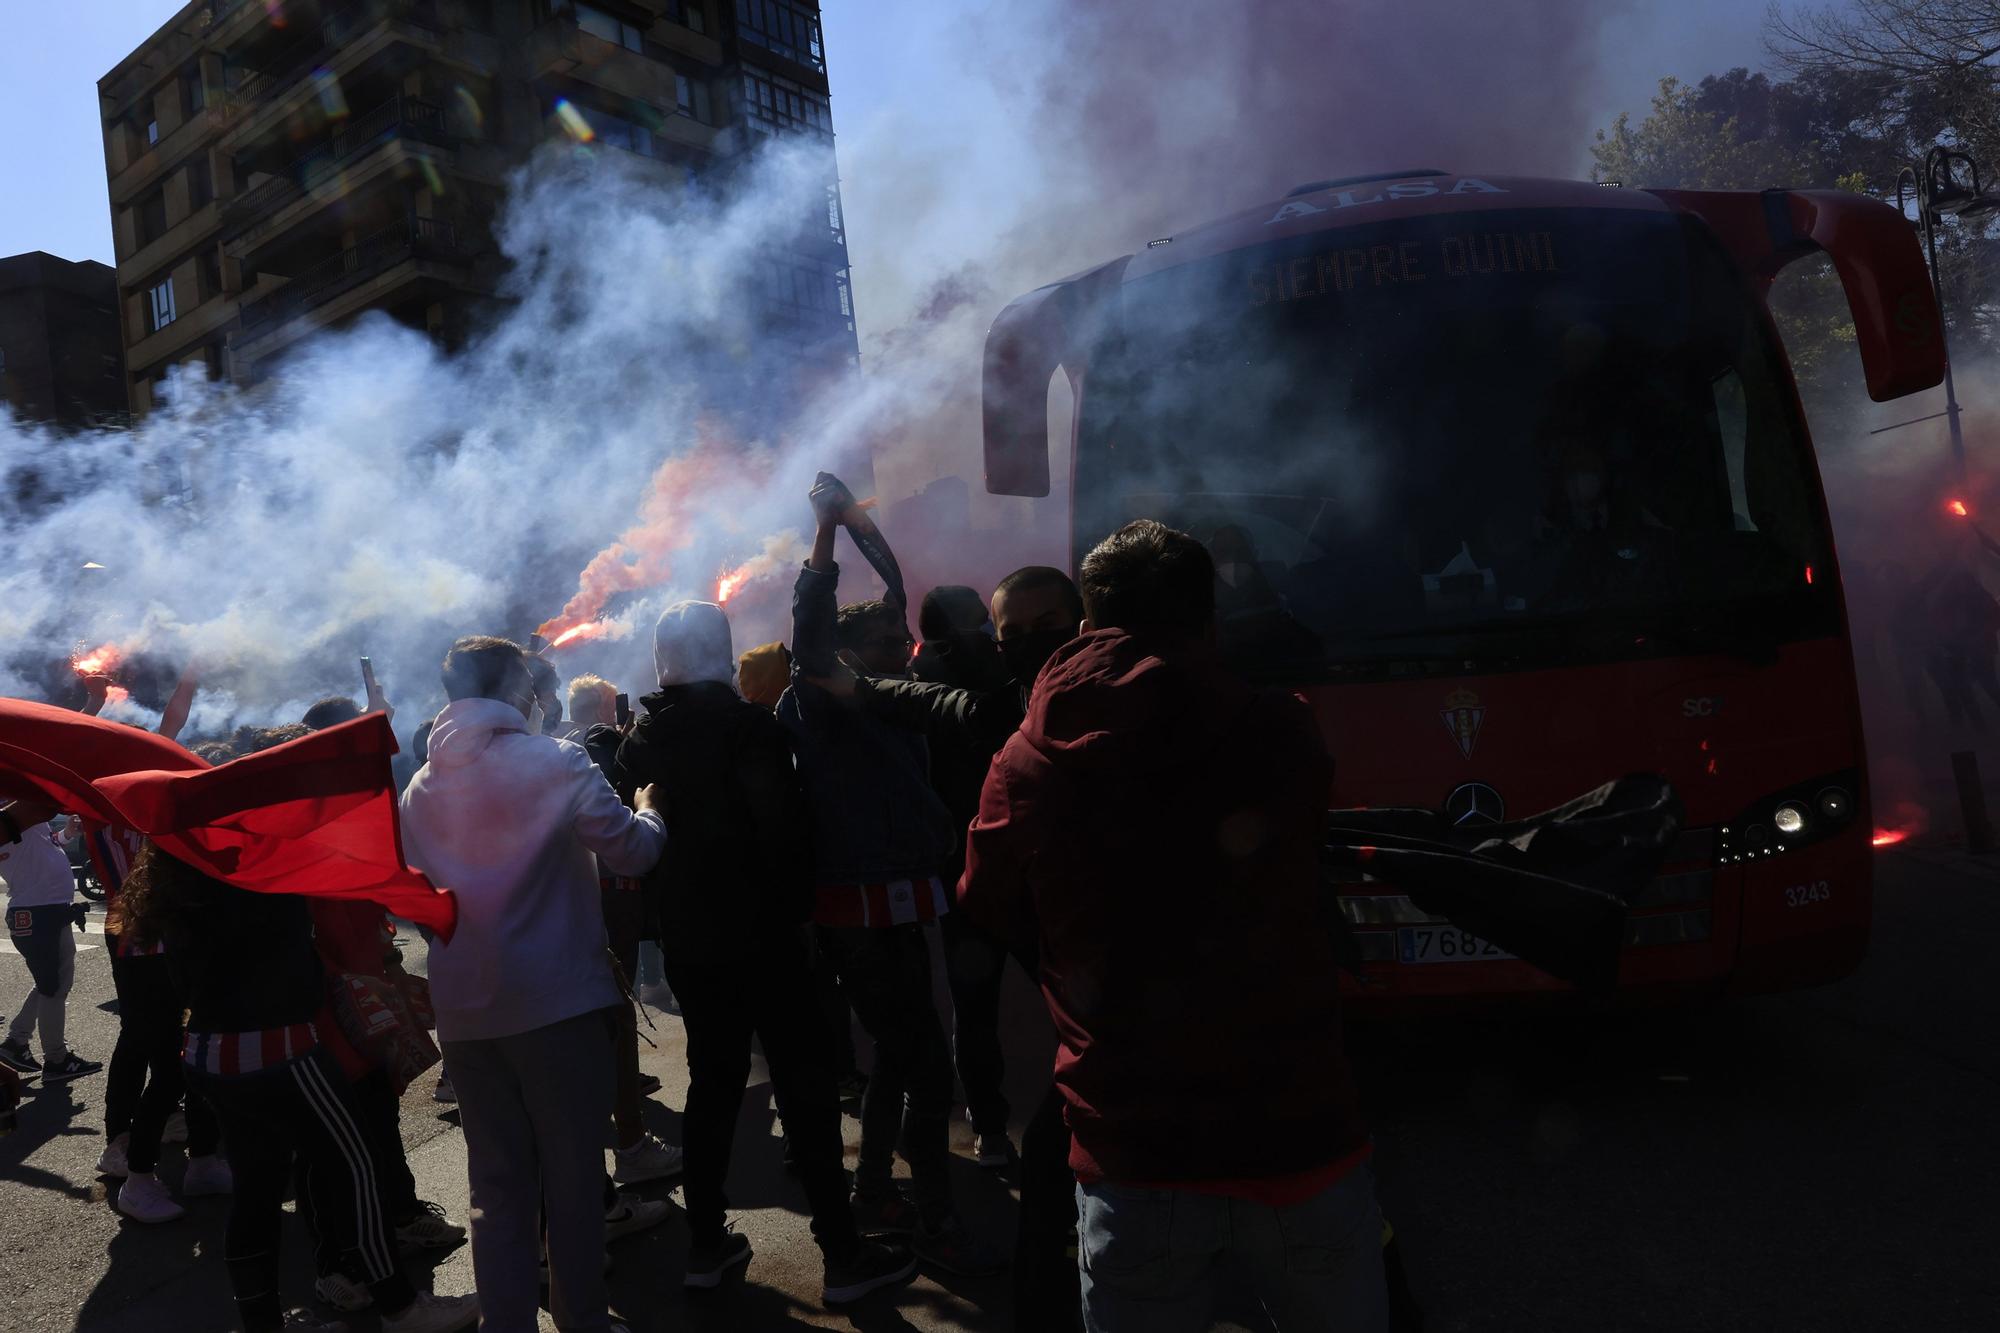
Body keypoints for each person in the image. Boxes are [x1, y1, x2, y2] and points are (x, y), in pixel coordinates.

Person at [960, 520, 1385, 1333]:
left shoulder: (1027, 758)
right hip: (1295, 1129)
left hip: (1132, 1146)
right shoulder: (1279, 729)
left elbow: (987, 897)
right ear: (1209, 621)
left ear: (1089, 624)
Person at [112, 727, 478, 1333]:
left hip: (208, 1050)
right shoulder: (258, 859)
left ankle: (263, 1324)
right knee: (356, 1165)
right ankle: (399, 1306)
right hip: (278, 1047)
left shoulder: (182, 864)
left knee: (256, 1189)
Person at [611, 599, 917, 1302]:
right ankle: (842, 1254)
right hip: (766, 939)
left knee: (712, 1085)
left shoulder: (641, 737)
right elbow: (782, 829)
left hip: (692, 943)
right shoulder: (749, 727)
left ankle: (707, 1242)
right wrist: (799, 915)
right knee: (805, 1088)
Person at [399, 636, 667, 1333]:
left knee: (497, 1186)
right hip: (558, 1003)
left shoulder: (419, 788)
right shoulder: (555, 760)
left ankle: (508, 1322)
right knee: (573, 1179)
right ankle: (583, 1320)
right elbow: (632, 848)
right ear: (517, 687)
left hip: (465, 1009)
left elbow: (412, 901)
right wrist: (651, 807)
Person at [779, 481, 1004, 1276]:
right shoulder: (822, 699)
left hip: (899, 901)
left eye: (898, 640)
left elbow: (899, 589)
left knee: (904, 1060)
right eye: (882, 644)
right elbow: (809, 625)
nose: (899, 650)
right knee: (926, 1064)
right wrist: (824, 534)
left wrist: (859, 524)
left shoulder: (885, 701)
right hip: (858, 909)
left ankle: (875, 1185)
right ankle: (934, 1217)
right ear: (845, 656)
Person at [1, 808, 102, 1084]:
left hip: (47, 909)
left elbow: (44, 846)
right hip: (38, 911)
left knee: (50, 981)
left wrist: (66, 834)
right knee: (54, 986)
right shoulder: (12, 815)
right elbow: (42, 805)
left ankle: (17, 1041)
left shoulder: (23, 818)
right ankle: (56, 1058)